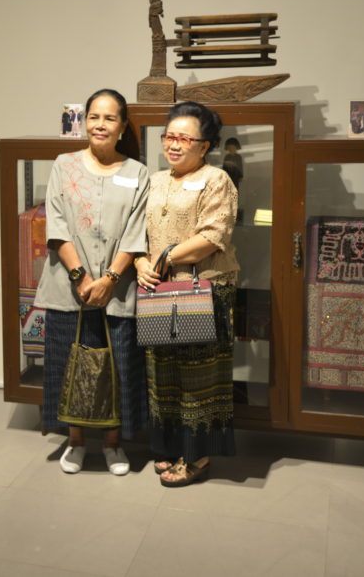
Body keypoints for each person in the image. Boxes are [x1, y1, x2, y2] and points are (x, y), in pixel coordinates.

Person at [35, 88, 149, 475]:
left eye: (110, 118)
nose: (100, 124)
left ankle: (113, 444)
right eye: (94, 117)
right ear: (85, 122)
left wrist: (110, 279)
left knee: (117, 367)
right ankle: (76, 441)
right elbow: (56, 223)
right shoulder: (64, 165)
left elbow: (136, 232)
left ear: (122, 126)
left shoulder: (137, 173)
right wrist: (81, 277)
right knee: (70, 364)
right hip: (69, 288)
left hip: (118, 290)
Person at [134, 101, 239, 487]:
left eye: (184, 139)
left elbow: (212, 236)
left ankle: (197, 455)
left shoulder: (217, 180)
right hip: (159, 289)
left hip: (204, 289)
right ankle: (168, 446)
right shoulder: (155, 179)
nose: (174, 145)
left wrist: (164, 256)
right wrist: (139, 263)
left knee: (199, 377)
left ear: (205, 145)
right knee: (162, 372)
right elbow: (136, 232)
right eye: (169, 137)